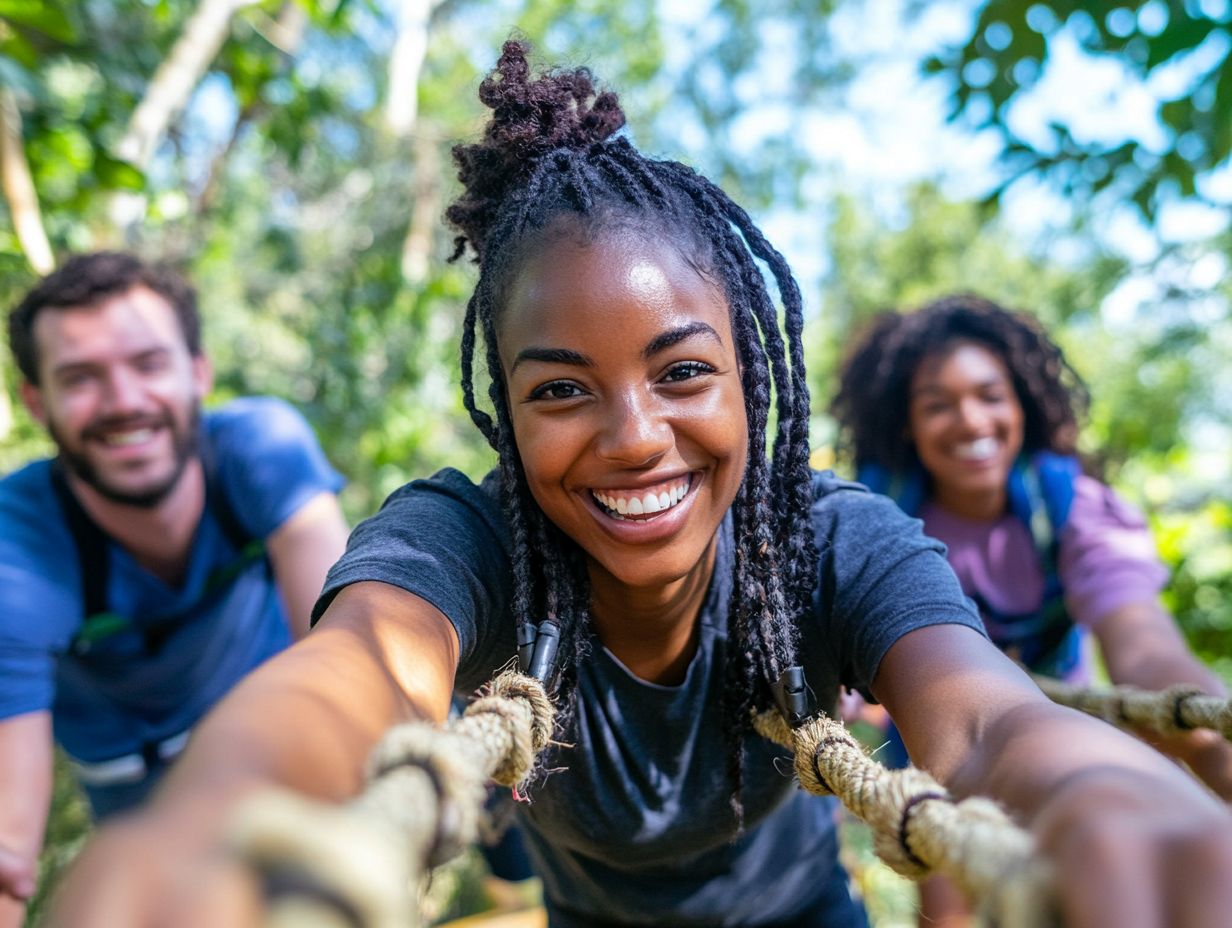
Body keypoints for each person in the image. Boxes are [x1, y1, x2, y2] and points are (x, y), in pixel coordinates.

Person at [46, 44, 1232, 928]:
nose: (631, 436)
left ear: (750, 381)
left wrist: (1096, 790)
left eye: (681, 372)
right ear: (503, 412)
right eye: (561, 390)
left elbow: (981, 715)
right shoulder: (468, 540)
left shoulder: (824, 542)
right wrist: (224, 806)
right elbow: (360, 670)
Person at [831, 294, 1232, 924]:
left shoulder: (1069, 508)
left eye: (990, 395)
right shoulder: (880, 522)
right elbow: (846, 638)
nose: (970, 421)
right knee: (948, 903)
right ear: (906, 424)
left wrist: (1212, 745)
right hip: (935, 745)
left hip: (1062, 731)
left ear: (1021, 405)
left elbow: (1144, 647)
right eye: (938, 404)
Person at [0, 252, 350, 927]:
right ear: (37, 402)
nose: (124, 401)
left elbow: (341, 650)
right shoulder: (17, 547)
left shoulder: (261, 449)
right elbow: (9, 847)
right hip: (131, 783)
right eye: (80, 378)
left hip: (276, 723)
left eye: (148, 364)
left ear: (199, 373)